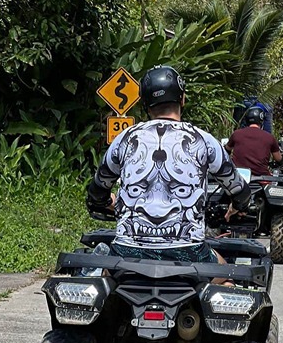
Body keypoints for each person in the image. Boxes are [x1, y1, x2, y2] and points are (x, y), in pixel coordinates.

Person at [86, 65, 251, 266]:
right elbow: (240, 190)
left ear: (145, 103)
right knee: (227, 277)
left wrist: (112, 202)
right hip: (189, 253)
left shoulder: (125, 139)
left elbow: (97, 191)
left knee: (105, 284)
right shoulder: (203, 140)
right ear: (182, 99)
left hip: (126, 253)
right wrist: (238, 206)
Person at [225, 106, 282, 177]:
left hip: (238, 177)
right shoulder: (269, 137)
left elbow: (226, 150)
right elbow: (278, 159)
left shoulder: (236, 134)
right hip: (261, 179)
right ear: (261, 120)